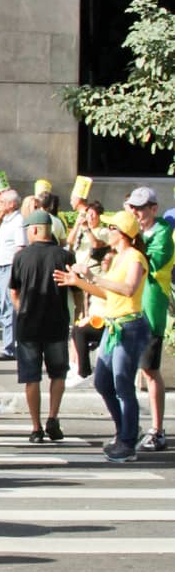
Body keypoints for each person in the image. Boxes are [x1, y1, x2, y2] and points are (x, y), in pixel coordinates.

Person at [55, 208, 150, 461]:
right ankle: (125, 432)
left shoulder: (135, 258)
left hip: (130, 327)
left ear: (123, 233)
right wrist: (79, 283)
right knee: (103, 382)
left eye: (112, 227)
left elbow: (129, 289)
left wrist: (93, 276)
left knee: (123, 385)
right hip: (114, 325)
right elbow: (108, 294)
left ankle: (128, 442)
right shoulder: (118, 257)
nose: (108, 231)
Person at [9, 209, 71, 443]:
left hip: (28, 325)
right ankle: (53, 417)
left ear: (34, 230)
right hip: (57, 323)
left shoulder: (20, 257)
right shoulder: (64, 256)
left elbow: (14, 291)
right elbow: (75, 290)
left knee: (31, 377)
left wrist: (20, 309)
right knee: (58, 373)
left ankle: (36, 427)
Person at [125, 186, 174, 451]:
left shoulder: (163, 235)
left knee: (150, 371)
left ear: (154, 209)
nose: (137, 213)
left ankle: (157, 429)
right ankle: (131, 427)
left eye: (141, 208)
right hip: (128, 310)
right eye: (133, 208)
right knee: (124, 373)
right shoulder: (135, 234)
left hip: (150, 312)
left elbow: (147, 263)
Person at [0, 187, 26, 361]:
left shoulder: (19, 221)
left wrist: (15, 270)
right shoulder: (4, 218)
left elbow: (20, 247)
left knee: (7, 308)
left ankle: (9, 347)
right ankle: (16, 331)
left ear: (12, 204)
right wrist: (0, 214)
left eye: (2, 202)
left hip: (9, 267)